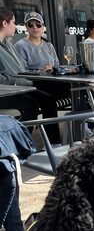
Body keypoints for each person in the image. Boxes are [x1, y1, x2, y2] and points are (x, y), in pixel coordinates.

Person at [0, 8, 61, 144]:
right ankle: (22, 144)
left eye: (38, 25)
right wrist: (14, 80)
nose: (15, 26)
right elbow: (12, 74)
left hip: (23, 86)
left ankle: (54, 143)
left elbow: (20, 68)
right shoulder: (18, 45)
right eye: (13, 22)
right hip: (8, 91)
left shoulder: (8, 43)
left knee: (51, 98)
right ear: (5, 23)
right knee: (31, 105)